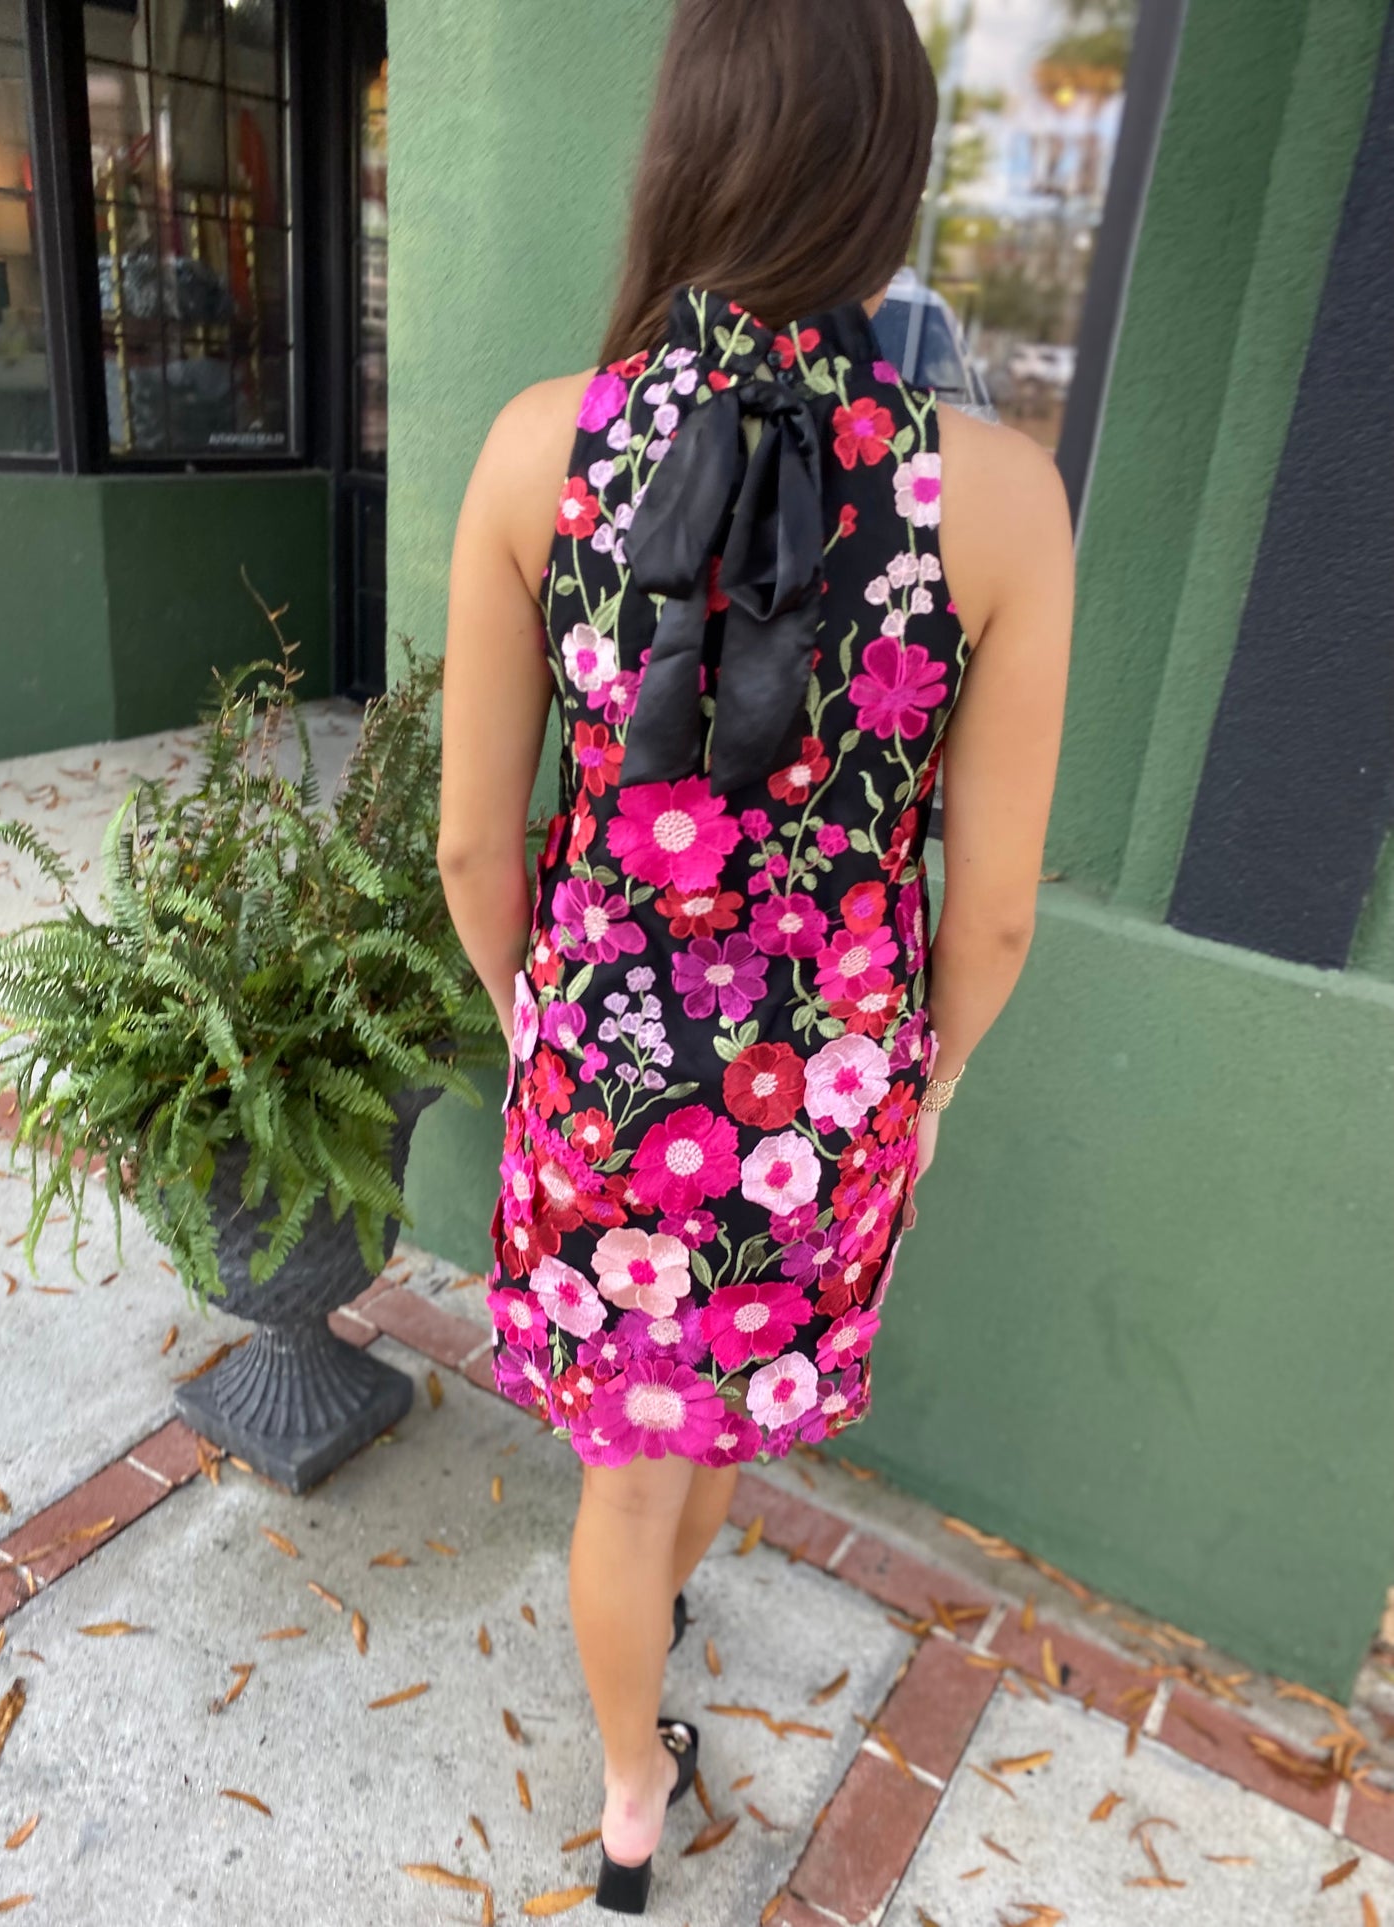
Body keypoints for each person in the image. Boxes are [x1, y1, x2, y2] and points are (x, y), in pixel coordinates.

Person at [436, 0, 1074, 1910]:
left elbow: (476, 837)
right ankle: (637, 1771)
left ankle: (632, 1783)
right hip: (831, 1098)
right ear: (889, 173)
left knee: (636, 1464)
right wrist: (932, 1088)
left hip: (598, 1084)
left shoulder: (536, 451)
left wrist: (537, 1019)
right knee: (706, 1427)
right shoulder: (1003, 497)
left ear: (682, 151)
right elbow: (1002, 908)